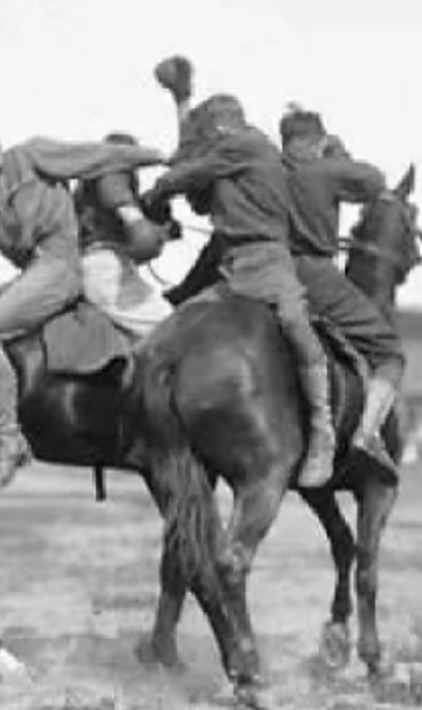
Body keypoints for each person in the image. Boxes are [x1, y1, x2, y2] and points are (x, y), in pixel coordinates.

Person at [0, 110, 166, 493]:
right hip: (32, 277)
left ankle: (9, 443)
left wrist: (154, 155)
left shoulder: (32, 156)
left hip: (62, 266)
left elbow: (100, 156)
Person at [138, 92, 338, 489]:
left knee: (296, 324)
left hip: (267, 261)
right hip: (227, 266)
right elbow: (198, 197)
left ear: (220, 128)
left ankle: (322, 431)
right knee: (172, 323)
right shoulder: (232, 159)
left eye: (209, 135)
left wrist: (156, 191)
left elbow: (188, 175)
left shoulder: (247, 144)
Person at [278, 104, 406, 482]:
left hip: (270, 271)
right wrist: (338, 155)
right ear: (317, 141)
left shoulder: (269, 169)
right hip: (316, 276)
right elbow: (375, 181)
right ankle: (367, 434)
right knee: (389, 352)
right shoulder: (326, 170)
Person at [75, 133, 176, 340]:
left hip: (97, 266)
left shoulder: (91, 183)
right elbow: (143, 241)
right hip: (106, 271)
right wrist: (158, 234)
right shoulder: (113, 180)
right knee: (173, 329)